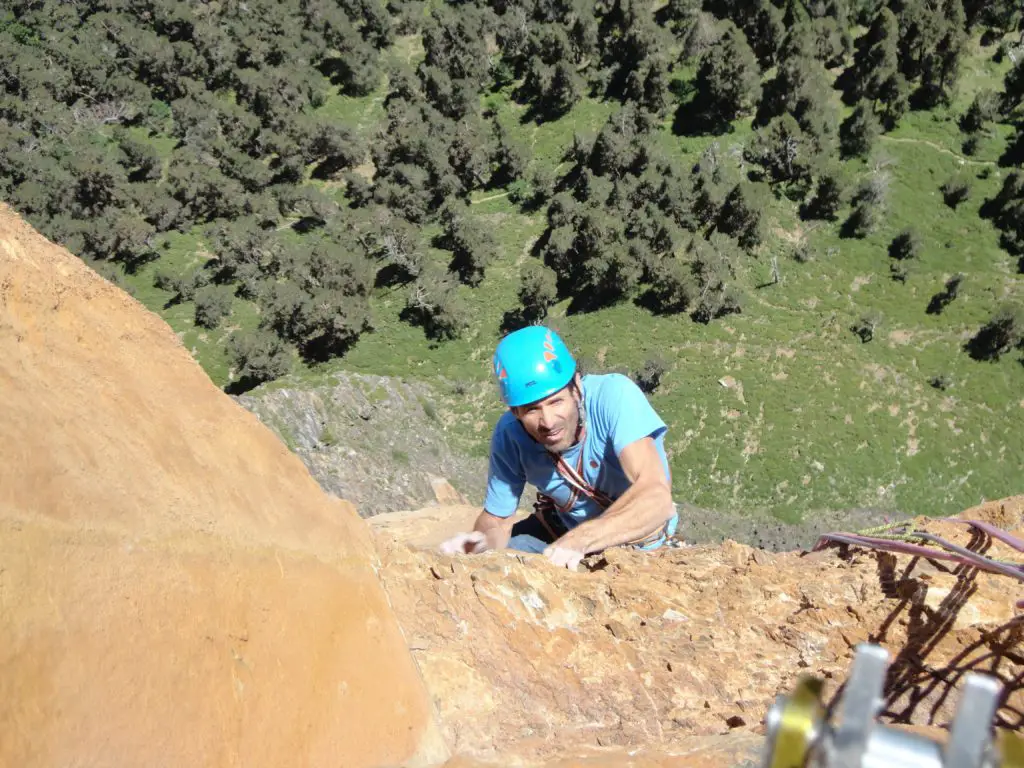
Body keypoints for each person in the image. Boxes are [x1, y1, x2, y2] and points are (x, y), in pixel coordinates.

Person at [440, 325, 679, 569]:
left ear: (576, 387)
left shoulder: (614, 396)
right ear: (515, 412)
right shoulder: (510, 435)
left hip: (636, 539)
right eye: (532, 409)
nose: (548, 421)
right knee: (506, 561)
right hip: (565, 531)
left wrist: (581, 539)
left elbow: (657, 497)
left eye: (556, 402)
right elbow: (497, 521)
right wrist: (478, 546)